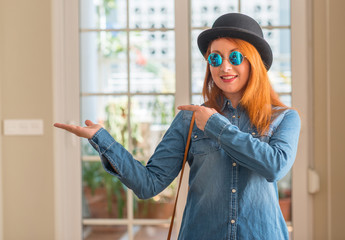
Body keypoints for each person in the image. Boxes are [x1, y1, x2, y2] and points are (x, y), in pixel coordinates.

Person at [54, 13, 301, 240]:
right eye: (215, 58)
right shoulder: (190, 120)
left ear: (254, 62)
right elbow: (148, 184)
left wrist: (216, 126)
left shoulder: (284, 118)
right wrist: (102, 139)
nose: (224, 67)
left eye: (235, 57)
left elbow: (275, 166)